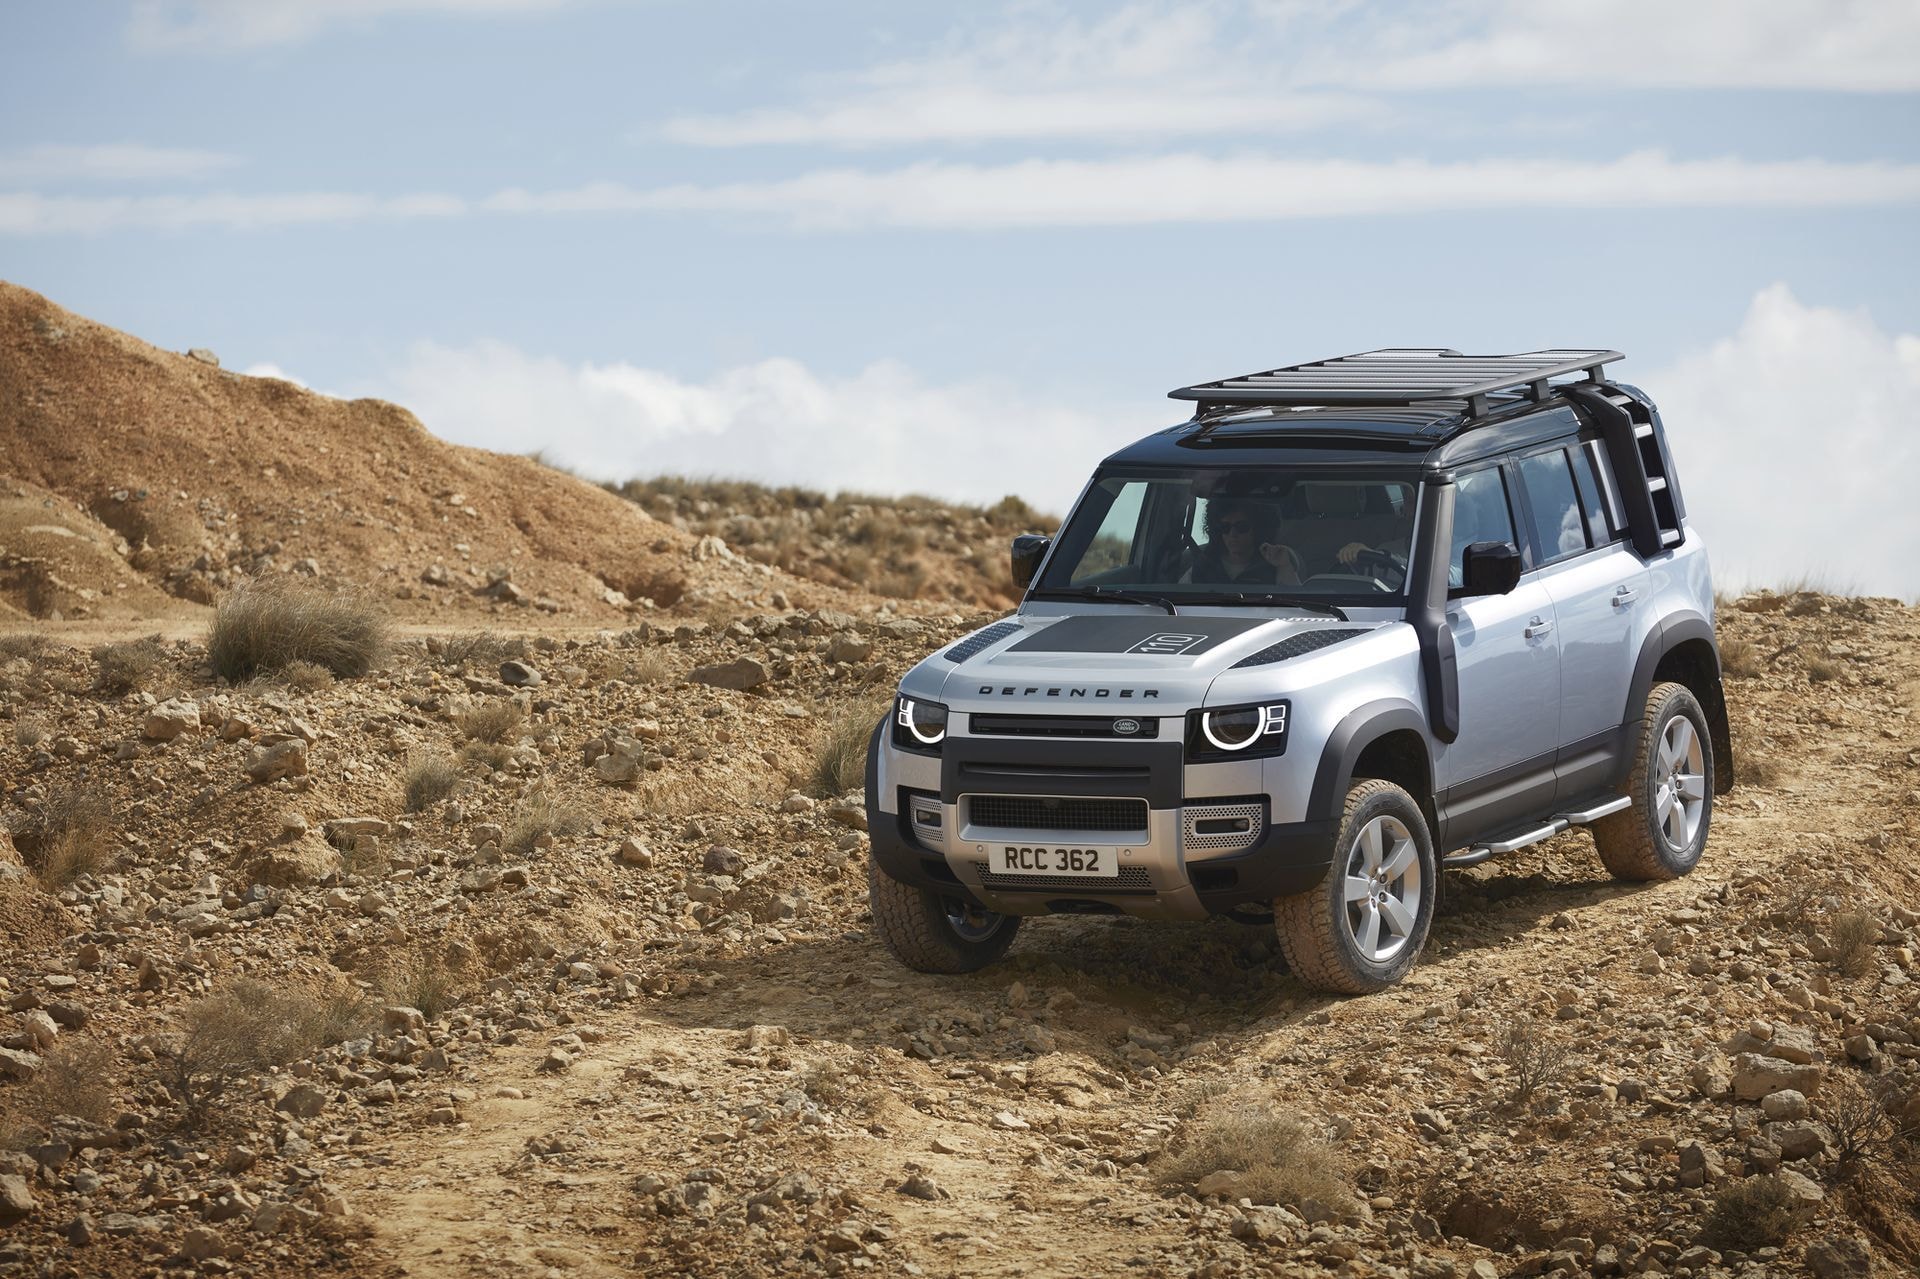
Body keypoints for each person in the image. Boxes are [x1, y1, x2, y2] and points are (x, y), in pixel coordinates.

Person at [1184, 498, 1302, 586]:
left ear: (1258, 529)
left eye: (1242, 527)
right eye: (1225, 527)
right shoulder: (1203, 566)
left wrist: (1284, 565)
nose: (1233, 534)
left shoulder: (1274, 563)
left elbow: (1295, 606)